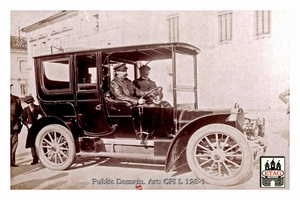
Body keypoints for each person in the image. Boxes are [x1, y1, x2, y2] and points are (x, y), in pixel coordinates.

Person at [22, 95, 44, 165]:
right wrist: (27, 124)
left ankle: (43, 157)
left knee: (41, 141)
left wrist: (41, 117)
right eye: (28, 103)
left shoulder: (38, 107)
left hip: (38, 127)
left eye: (31, 102)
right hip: (30, 128)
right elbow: (23, 120)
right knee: (32, 143)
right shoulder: (25, 109)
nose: (30, 104)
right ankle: (35, 158)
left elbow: (43, 114)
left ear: (33, 101)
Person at [10, 84, 23, 167]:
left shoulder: (16, 99)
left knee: (14, 143)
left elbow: (21, 111)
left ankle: (12, 161)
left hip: (14, 125)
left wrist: (20, 118)